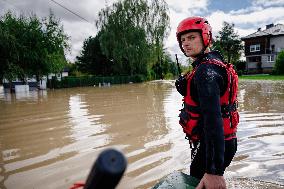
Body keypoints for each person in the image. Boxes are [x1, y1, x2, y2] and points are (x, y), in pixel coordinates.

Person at [175, 16, 239, 189]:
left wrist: (213, 171)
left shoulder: (205, 71)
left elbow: (213, 120)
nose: (185, 43)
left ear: (205, 37)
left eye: (191, 37)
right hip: (224, 142)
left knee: (199, 182)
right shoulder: (214, 64)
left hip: (211, 145)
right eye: (182, 40)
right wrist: (188, 88)